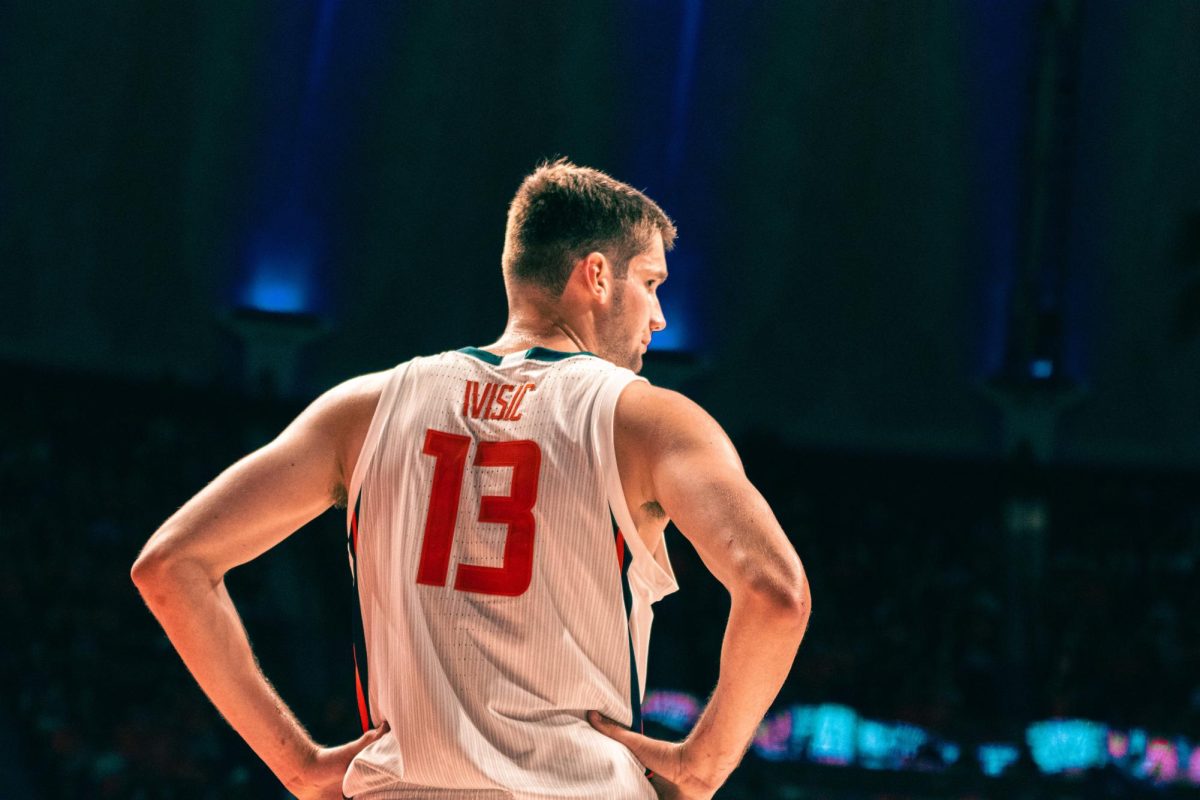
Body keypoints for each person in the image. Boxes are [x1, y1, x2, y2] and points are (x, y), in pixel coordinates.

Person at [132, 159, 811, 800]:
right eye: (652, 284)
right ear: (598, 276)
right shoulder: (652, 422)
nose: (659, 318)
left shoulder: (361, 409)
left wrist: (299, 765)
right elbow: (777, 592)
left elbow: (169, 565)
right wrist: (701, 767)